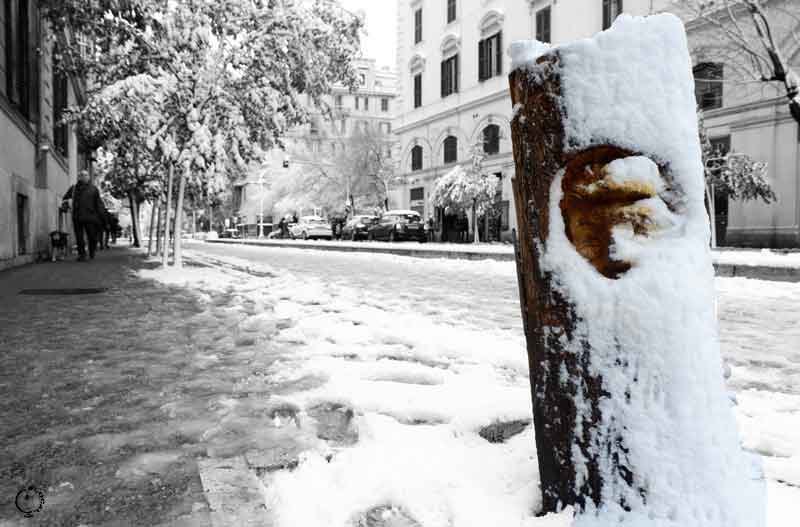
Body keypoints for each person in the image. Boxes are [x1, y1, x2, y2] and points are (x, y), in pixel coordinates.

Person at [63, 170, 104, 261]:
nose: (84, 177)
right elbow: (65, 199)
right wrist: (66, 205)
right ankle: (82, 255)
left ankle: (92, 251)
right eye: (81, 175)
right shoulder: (73, 189)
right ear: (79, 177)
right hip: (77, 216)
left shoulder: (94, 189)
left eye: (85, 175)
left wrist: (101, 216)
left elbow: (98, 204)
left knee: (92, 237)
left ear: (88, 177)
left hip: (91, 217)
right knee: (79, 237)